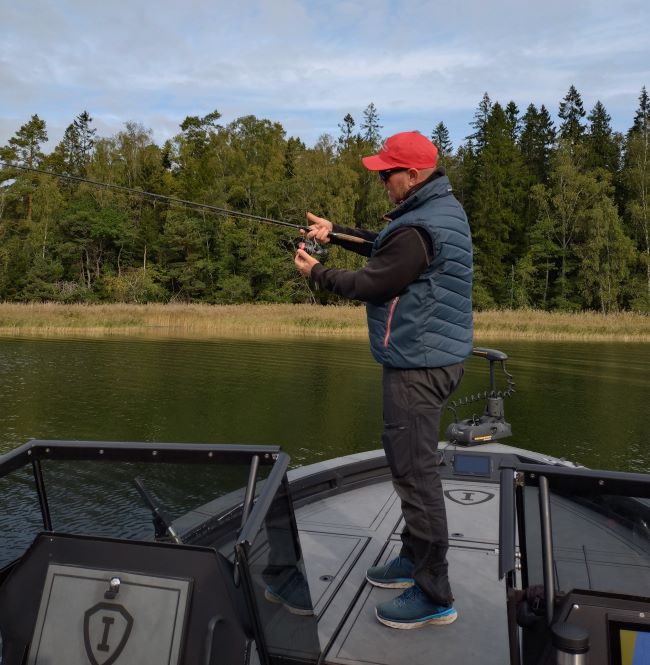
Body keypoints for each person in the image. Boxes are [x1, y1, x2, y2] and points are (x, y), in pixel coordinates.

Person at [294, 131, 473, 629]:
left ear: (412, 176)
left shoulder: (418, 230)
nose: (381, 181)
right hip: (432, 357)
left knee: (415, 476)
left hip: (417, 366)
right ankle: (411, 560)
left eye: (386, 173)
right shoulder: (438, 213)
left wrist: (317, 274)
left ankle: (435, 594)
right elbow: (384, 247)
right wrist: (337, 232)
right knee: (411, 463)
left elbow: (376, 280)